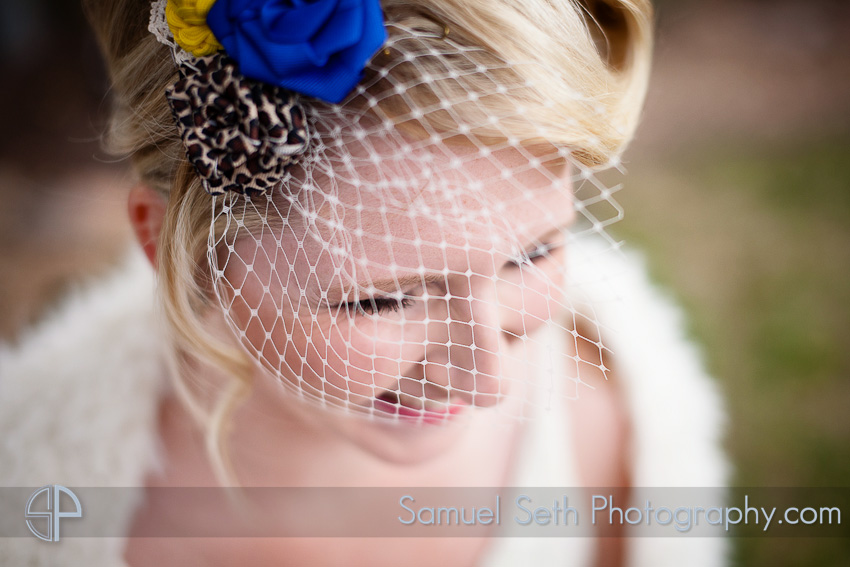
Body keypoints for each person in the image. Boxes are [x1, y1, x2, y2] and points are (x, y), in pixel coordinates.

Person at [0, 0, 729, 565]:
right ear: (171, 247)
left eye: (532, 253)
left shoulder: (608, 429)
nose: (489, 379)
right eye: (381, 298)